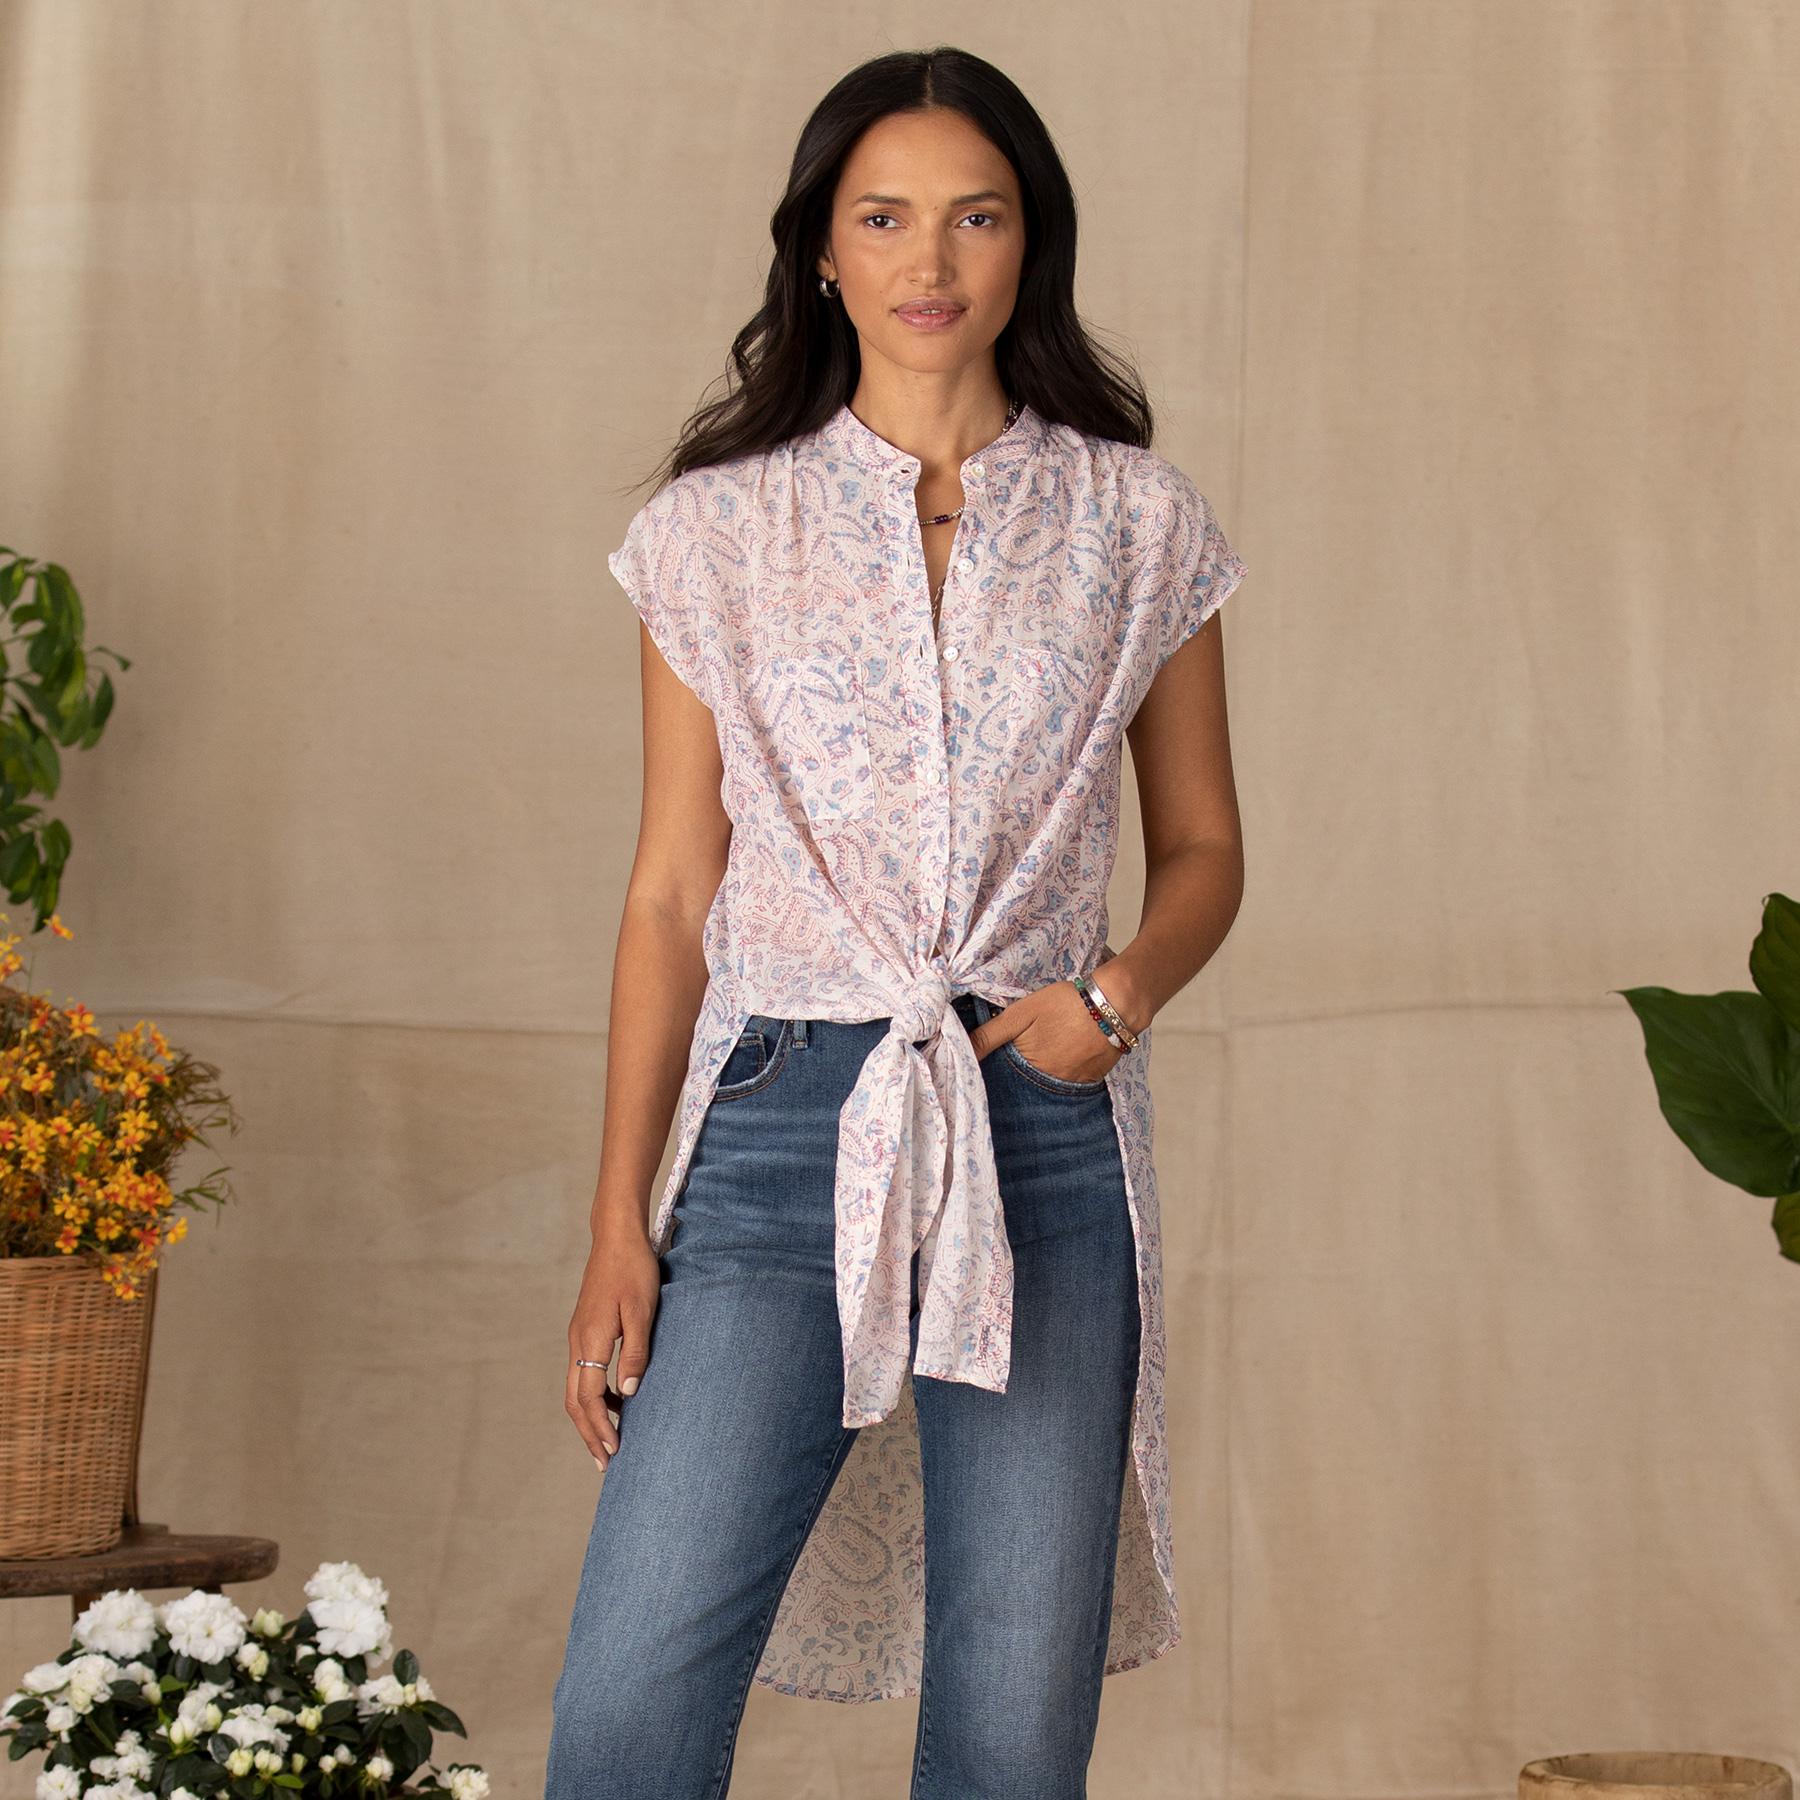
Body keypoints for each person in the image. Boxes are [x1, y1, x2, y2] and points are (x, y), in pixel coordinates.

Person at [546, 42, 1248, 1800]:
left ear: (1031, 243)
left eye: (975, 217)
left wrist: (1117, 996)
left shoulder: (1135, 521)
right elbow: (670, 890)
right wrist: (620, 1221)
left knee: (1013, 1730)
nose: (929, 259)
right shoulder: (714, 534)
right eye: (884, 218)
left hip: (1042, 1126)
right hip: (780, 1122)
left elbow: (1206, 849)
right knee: (632, 1700)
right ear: (822, 251)